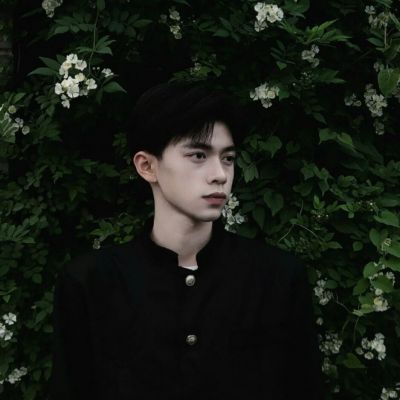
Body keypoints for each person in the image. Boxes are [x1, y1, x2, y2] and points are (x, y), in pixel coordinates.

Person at [50, 81, 325, 399]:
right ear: (147, 166)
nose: (220, 174)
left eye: (228, 158)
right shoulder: (91, 283)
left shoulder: (276, 278)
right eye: (198, 155)